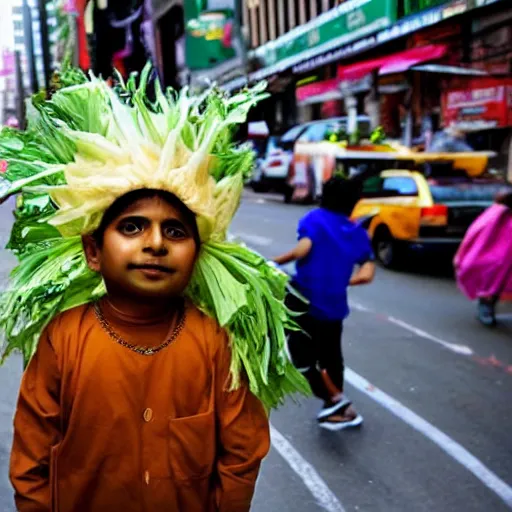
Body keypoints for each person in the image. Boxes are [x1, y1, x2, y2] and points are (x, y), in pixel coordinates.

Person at [2, 67, 308, 511]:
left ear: (199, 252)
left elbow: (241, 455)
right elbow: (30, 459)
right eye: (132, 227)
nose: (156, 243)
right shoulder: (63, 338)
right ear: (93, 250)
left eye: (175, 232)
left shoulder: (214, 342)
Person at [274, 177, 376, 430]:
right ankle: (336, 405)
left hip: (304, 299)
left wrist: (273, 262)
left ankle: (337, 402)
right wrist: (341, 280)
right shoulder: (357, 232)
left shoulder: (315, 219)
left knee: (299, 355)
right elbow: (366, 273)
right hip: (334, 306)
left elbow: (303, 249)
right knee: (331, 357)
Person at [455, 190, 512, 327]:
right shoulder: (497, 215)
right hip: (499, 252)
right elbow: (478, 235)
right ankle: (487, 302)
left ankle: (488, 302)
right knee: (496, 273)